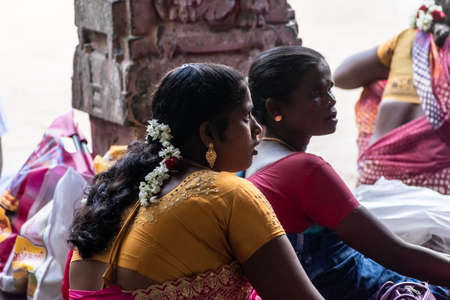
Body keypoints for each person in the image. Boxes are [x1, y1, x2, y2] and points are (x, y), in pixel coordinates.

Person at [66, 63, 324, 300]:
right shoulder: (228, 194)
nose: (258, 129)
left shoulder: (111, 193)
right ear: (208, 133)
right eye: (246, 117)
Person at [245, 45, 450, 300]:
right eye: (316, 94)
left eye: (329, 88)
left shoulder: (247, 163)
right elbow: (396, 254)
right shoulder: (305, 170)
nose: (331, 100)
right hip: (360, 289)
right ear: (276, 109)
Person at [333, 0, 450, 194]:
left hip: (375, 179)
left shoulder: (410, 39)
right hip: (437, 189)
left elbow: (341, 77)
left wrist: (399, 66)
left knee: (376, 83)